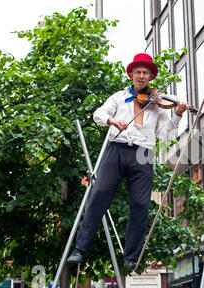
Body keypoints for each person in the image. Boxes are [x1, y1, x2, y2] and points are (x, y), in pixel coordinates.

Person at [66, 53, 190, 270]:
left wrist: (178, 115)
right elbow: (99, 114)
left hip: (143, 154)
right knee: (99, 195)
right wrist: (113, 120)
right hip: (117, 150)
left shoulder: (158, 103)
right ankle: (81, 249)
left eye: (146, 73)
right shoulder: (118, 97)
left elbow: (167, 136)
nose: (142, 76)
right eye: (138, 72)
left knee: (141, 205)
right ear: (131, 74)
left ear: (150, 77)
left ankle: (131, 256)